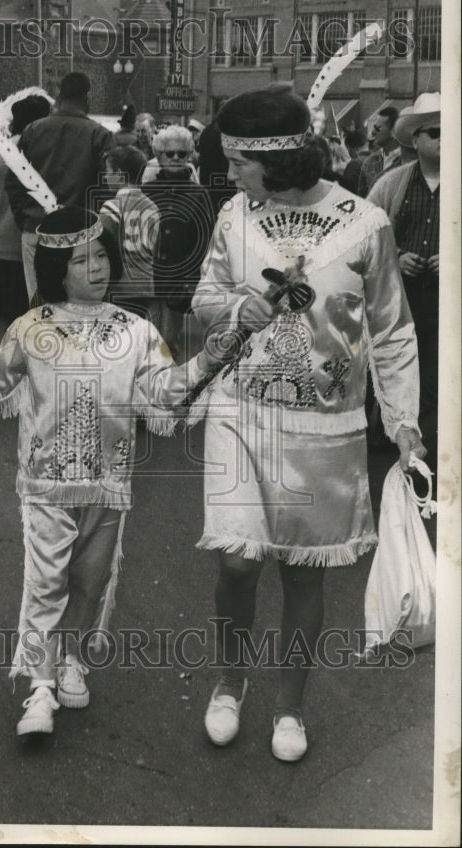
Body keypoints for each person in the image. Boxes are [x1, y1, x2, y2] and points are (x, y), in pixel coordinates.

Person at [0, 206, 229, 738]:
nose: (95, 268)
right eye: (79, 259)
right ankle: (39, 688)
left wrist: (207, 360)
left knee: (91, 580)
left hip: (109, 484)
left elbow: (164, 390)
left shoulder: (136, 331)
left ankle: (72, 657)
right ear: (55, 270)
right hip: (46, 484)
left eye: (100, 256)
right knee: (45, 583)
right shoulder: (30, 328)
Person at [191, 88, 424, 763]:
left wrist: (404, 419)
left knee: (303, 572)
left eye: (239, 162)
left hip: (327, 425)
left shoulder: (366, 222)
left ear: (280, 157)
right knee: (237, 562)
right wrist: (237, 309)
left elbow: (393, 332)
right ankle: (229, 684)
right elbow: (205, 294)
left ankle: (290, 706)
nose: (229, 175)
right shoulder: (235, 216)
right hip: (242, 413)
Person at [368, 93, 440, 533]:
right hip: (400, 297)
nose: (445, 142)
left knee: (435, 371)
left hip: (447, 301)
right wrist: (398, 254)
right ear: (416, 139)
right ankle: (396, 435)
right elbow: (367, 236)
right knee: (397, 364)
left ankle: (424, 446)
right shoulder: (392, 184)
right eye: (435, 134)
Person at [4, 71, 116, 299]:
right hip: (79, 231)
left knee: (38, 306)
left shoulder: (33, 130)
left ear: (59, 96)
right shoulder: (100, 135)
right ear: (87, 98)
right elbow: (110, 187)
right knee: (78, 305)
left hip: (36, 226)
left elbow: (13, 181)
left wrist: (24, 217)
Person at [0, 94, 51, 342]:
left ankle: (2, 366)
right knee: (27, 311)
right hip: (19, 245)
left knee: (4, 314)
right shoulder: (38, 153)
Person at [140, 125, 214, 360]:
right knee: (145, 340)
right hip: (148, 279)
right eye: (168, 153)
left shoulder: (199, 194)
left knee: (169, 343)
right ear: (158, 156)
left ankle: (168, 389)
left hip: (179, 280)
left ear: (189, 156)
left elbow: (205, 240)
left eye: (181, 154)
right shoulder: (145, 190)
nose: (175, 158)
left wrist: (192, 279)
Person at [98, 144, 159, 320]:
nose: (106, 175)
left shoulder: (112, 206)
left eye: (108, 171)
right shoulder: (152, 206)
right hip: (146, 285)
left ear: (119, 173)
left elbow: (104, 247)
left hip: (121, 285)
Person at [360, 105, 402, 195]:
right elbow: (361, 200)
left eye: (378, 128)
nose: (372, 132)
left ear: (393, 131)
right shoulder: (369, 162)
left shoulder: (407, 161)